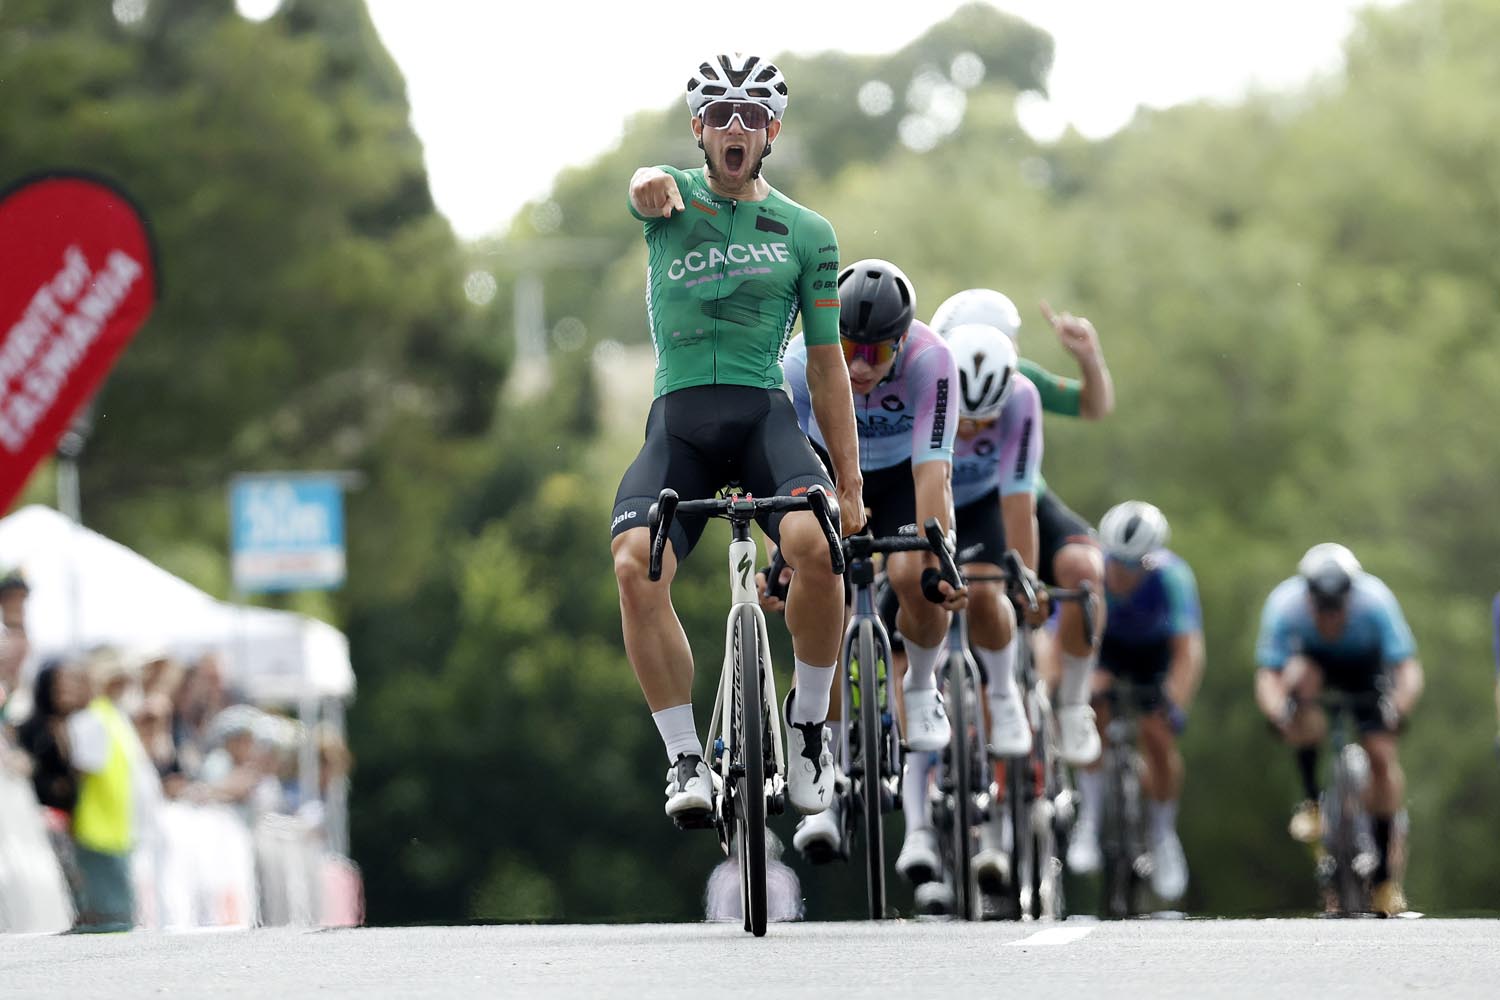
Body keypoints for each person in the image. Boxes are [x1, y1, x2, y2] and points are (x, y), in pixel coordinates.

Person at [612, 53, 864, 827]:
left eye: (750, 116)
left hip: (762, 419)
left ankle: (810, 726)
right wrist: (647, 181)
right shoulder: (670, 200)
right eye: (718, 114)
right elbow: (643, 186)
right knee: (632, 565)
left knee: (818, 544)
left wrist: (850, 488)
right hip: (678, 424)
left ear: (772, 131)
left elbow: (826, 368)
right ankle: (685, 755)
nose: (734, 127)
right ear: (698, 128)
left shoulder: (807, 232)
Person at [774, 258, 966, 886]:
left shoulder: (933, 361)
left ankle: (921, 686)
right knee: (818, 577)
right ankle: (819, 764)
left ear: (903, 340)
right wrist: (785, 554)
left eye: (875, 351)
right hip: (829, 468)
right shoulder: (802, 361)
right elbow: (789, 466)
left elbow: (933, 473)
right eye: (849, 349)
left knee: (913, 572)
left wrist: (938, 558)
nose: (858, 366)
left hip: (904, 474)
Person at [930, 290, 1113, 767]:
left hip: (1018, 496)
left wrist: (1088, 359)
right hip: (952, 504)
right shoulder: (925, 382)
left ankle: (1074, 703)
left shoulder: (1017, 381)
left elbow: (1093, 408)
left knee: (1084, 570)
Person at [1254, 542, 1423, 916]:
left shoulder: (1375, 602)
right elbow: (1270, 674)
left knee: (1381, 754)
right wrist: (1280, 712)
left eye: (1337, 609)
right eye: (1322, 610)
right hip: (1315, 669)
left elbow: (1407, 668)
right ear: (1309, 598)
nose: (1330, 618)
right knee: (1300, 680)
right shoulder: (1286, 605)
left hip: (1366, 671)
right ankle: (1313, 800)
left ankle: (1383, 880)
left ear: (1351, 596)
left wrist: (1397, 709)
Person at [1068, 501, 1203, 904]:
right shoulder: (1090, 571)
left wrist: (1174, 704)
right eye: (1117, 563)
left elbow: (1189, 651)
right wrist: (1081, 681)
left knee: (1158, 735)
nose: (1123, 574)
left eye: (1134, 566)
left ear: (1151, 559)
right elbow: (1066, 637)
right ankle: (1088, 821)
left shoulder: (1173, 577)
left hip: (1153, 657)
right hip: (1103, 650)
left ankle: (1163, 834)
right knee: (1092, 715)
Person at [0, 568, 31, 716]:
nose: (18, 604)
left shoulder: (24, 638)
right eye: (11, 597)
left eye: (22, 598)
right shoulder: (4, 637)